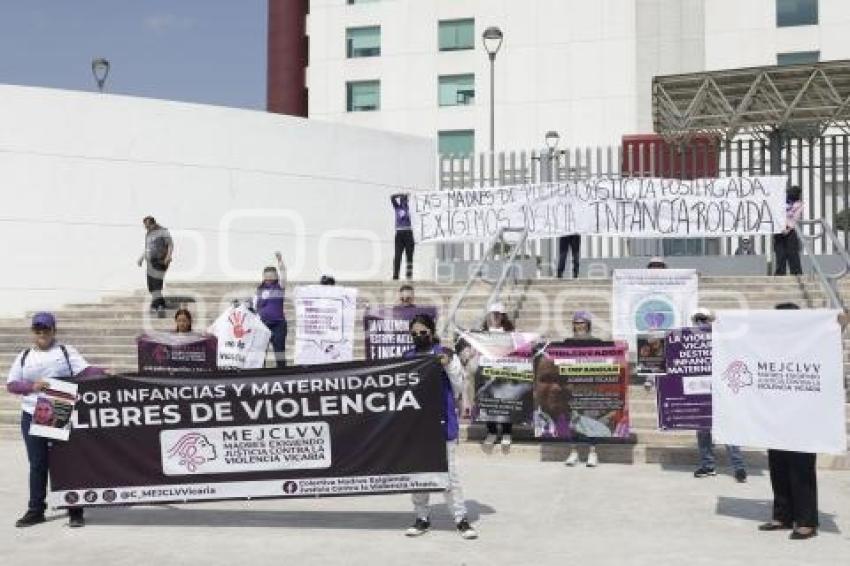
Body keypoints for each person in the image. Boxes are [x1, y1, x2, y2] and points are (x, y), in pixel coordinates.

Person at [758, 302, 847, 540]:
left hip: (804, 416)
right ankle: (783, 516)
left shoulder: (813, 338)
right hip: (776, 414)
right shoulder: (771, 342)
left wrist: (837, 321)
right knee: (778, 467)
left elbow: (839, 327)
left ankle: (807, 522)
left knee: (801, 469)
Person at [6, 312, 91, 528]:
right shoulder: (25, 355)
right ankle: (36, 510)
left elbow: (86, 371)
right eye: (37, 329)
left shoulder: (64, 351)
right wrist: (31, 386)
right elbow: (12, 384)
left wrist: (107, 373)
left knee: (66, 462)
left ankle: (75, 510)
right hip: (30, 413)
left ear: (54, 330)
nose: (42, 332)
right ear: (32, 332)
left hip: (57, 408)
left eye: (46, 328)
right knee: (37, 464)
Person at [403, 314, 477, 540]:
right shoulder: (406, 357)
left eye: (423, 333)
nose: (418, 337)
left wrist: (448, 367)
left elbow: (458, 387)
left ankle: (461, 519)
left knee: (450, 475)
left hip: (443, 423)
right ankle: (422, 517)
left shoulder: (446, 354)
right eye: (414, 334)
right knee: (419, 475)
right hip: (416, 426)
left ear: (432, 332)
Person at [689, 308, 747, 483]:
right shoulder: (689, 341)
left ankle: (739, 467)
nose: (701, 322)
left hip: (723, 392)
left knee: (729, 429)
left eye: (704, 319)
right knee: (703, 431)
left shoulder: (724, 339)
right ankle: (708, 465)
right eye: (698, 319)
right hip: (701, 392)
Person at [562, 311, 605, 468]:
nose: (579, 325)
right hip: (572, 386)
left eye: (582, 322)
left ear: (588, 324)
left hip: (590, 386)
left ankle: (593, 453)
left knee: (590, 421)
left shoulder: (597, 342)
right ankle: (573, 452)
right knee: (572, 421)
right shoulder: (566, 342)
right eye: (576, 322)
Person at [480, 302, 516, 446]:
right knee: (489, 402)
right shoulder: (481, 333)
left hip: (504, 371)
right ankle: (492, 432)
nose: (495, 317)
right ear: (488, 316)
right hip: (486, 372)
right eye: (493, 314)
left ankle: (507, 432)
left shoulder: (510, 333)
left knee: (506, 402)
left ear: (503, 316)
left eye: (498, 314)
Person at [255, 252, 288, 368]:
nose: (268, 279)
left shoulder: (279, 286)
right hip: (262, 325)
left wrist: (280, 261)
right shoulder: (259, 289)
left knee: (279, 352)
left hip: (278, 324)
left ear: (275, 277)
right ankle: (261, 375)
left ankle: (282, 374)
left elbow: (283, 274)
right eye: (266, 276)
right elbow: (255, 306)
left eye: (271, 276)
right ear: (263, 276)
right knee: (260, 353)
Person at [137, 216, 174, 316]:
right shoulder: (148, 234)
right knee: (151, 285)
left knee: (157, 284)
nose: (147, 228)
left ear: (154, 224)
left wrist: (168, 257)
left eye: (148, 226)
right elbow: (147, 248)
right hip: (150, 262)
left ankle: (158, 306)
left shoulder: (163, 231)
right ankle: (159, 303)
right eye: (145, 227)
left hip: (160, 261)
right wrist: (141, 258)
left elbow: (170, 245)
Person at [773, 185, 803, 276]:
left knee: (792, 252)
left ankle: (796, 272)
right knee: (780, 253)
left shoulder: (799, 204)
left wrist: (788, 229)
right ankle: (780, 273)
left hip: (790, 230)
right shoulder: (781, 202)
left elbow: (795, 218)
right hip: (779, 230)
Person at [391, 193, 415, 280]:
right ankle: (395, 275)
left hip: (408, 232)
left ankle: (409, 275)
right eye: (402, 199)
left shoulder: (410, 209)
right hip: (399, 233)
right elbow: (392, 197)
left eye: (405, 200)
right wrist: (401, 194)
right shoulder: (397, 207)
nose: (403, 201)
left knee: (409, 256)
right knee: (397, 255)